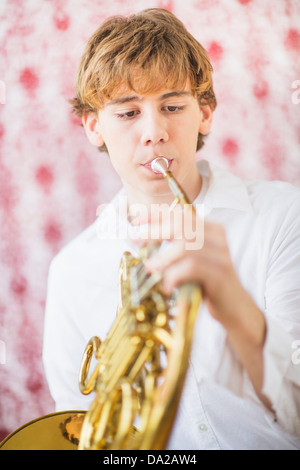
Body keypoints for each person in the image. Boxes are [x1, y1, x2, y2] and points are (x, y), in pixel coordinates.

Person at [43, 8, 300, 449]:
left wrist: (236, 307)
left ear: (204, 114)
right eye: (127, 113)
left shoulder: (284, 216)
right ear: (93, 127)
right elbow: (84, 434)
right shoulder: (71, 270)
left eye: (173, 106)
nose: (154, 132)